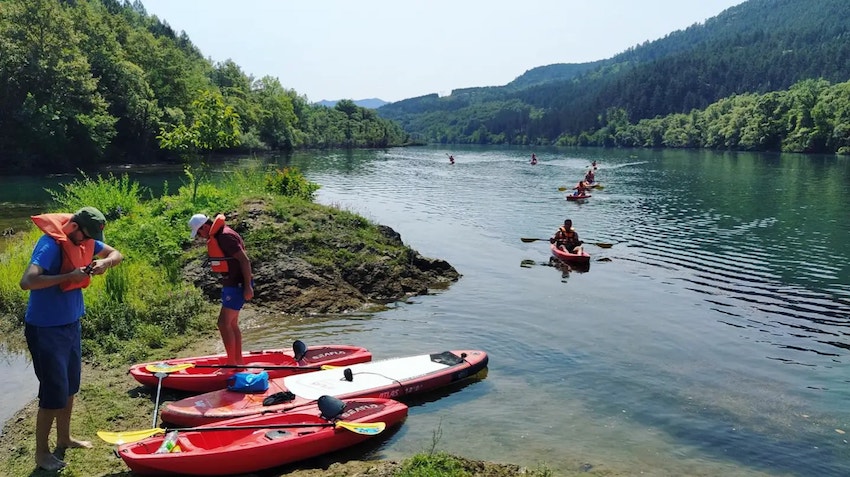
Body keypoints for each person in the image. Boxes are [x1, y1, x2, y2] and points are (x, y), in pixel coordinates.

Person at [19, 206, 123, 471]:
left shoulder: (86, 237)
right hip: (45, 328)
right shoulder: (50, 245)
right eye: (86, 237)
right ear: (74, 227)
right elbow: (27, 281)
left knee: (70, 387)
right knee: (53, 392)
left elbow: (115, 253)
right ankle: (41, 454)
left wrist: (105, 262)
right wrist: (69, 276)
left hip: (70, 324)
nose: (88, 244)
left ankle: (64, 438)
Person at [189, 213, 254, 366]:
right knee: (231, 324)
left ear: (205, 227)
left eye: (199, 233)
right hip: (232, 284)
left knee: (223, 323)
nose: (200, 237)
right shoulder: (221, 235)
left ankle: (231, 363)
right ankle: (238, 362)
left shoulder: (225, 237)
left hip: (237, 285)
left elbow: (245, 260)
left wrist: (248, 286)